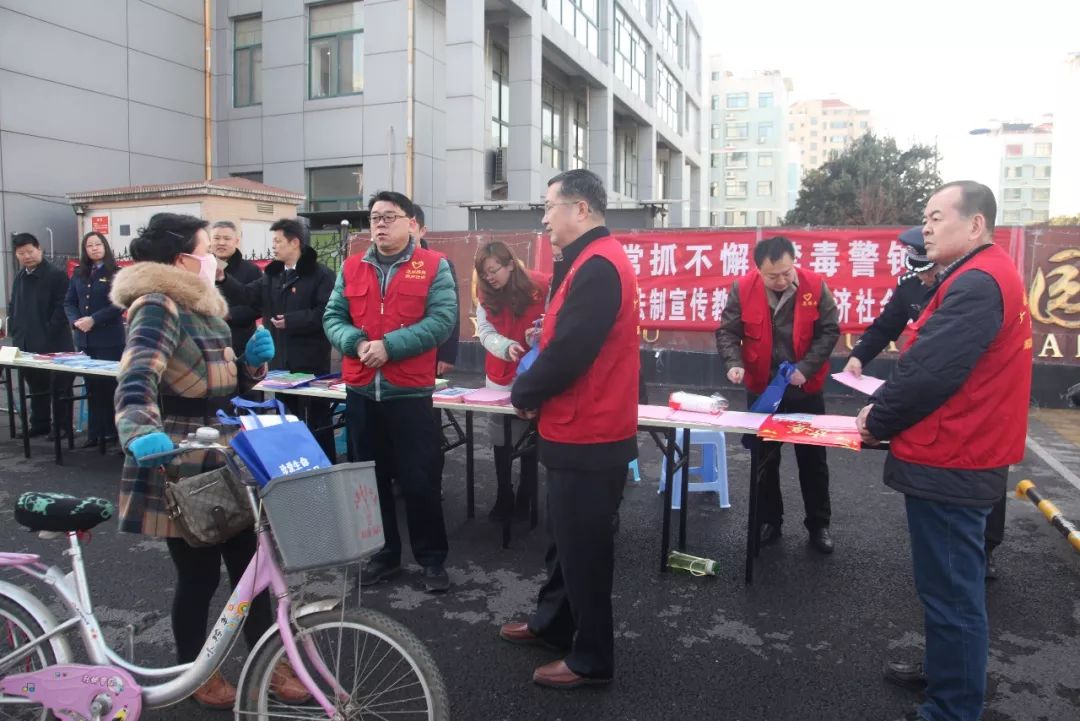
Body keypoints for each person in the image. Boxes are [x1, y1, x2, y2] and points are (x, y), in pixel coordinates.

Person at [110, 212, 308, 708]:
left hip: (222, 451)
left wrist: (251, 365)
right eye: (207, 250)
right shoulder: (157, 304)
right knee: (198, 576)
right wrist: (139, 431)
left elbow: (218, 385)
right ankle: (196, 673)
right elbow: (137, 376)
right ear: (183, 260)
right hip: (179, 459)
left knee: (253, 568)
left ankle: (272, 664)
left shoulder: (203, 307)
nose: (215, 259)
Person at [856, 181, 1032, 721]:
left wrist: (876, 419)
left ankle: (952, 708)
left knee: (954, 593)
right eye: (924, 217)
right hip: (959, 452)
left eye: (936, 217)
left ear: (975, 224)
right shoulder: (982, 274)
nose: (925, 227)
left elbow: (930, 372)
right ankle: (945, 672)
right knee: (946, 587)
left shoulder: (978, 283)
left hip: (954, 458)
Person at [500, 169, 639, 689]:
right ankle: (553, 623)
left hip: (591, 432)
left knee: (585, 552)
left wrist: (524, 392)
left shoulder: (599, 266)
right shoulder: (583, 262)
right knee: (564, 541)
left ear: (580, 209)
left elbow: (572, 354)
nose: (543, 217)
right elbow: (570, 335)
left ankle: (592, 659)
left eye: (550, 206)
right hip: (577, 427)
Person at [845, 227, 1008, 581]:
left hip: (975, 406)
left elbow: (936, 368)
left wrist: (879, 419)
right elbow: (886, 326)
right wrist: (859, 356)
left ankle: (988, 548)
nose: (927, 277)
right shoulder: (912, 288)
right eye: (922, 272)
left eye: (930, 271)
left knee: (984, 478)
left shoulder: (971, 286)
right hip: (934, 410)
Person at [323, 191, 457, 593]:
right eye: (375, 217)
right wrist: (355, 343)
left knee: (420, 480)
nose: (380, 224)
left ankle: (432, 560)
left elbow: (443, 320)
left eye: (389, 217)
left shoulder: (434, 266)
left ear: (411, 223)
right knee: (370, 480)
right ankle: (384, 555)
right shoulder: (351, 267)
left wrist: (390, 347)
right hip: (363, 393)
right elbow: (333, 316)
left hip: (409, 395)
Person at [716, 235, 841, 554]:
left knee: (813, 461)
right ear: (758, 270)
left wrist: (807, 368)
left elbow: (829, 331)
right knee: (764, 461)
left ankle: (819, 524)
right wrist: (734, 363)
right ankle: (770, 520)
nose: (782, 280)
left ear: (793, 262)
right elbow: (728, 332)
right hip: (763, 390)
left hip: (805, 388)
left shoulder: (815, 286)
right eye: (773, 276)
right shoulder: (742, 288)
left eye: (787, 272)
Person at [217, 218, 336, 460]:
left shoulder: (321, 274)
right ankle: (292, 462)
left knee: (317, 419)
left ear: (295, 243)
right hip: (281, 363)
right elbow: (248, 295)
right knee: (286, 416)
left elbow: (327, 313)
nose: (274, 246)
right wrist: (223, 279)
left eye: (278, 241)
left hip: (310, 362)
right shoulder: (273, 274)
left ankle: (324, 464)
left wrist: (293, 320)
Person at [474, 241, 549, 521]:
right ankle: (503, 494)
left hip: (533, 371)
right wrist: (505, 346)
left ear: (510, 264)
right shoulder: (485, 294)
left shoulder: (540, 286)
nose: (490, 277)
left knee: (531, 433)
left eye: (494, 270)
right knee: (501, 438)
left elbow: (553, 321)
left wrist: (539, 333)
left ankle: (526, 494)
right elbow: (484, 331)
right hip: (500, 373)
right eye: (485, 273)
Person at [8, 232, 75, 439]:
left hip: (53, 342)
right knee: (36, 386)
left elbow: (62, 307)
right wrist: (16, 331)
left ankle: (62, 427)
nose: (26, 256)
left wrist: (49, 331)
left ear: (40, 250)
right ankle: (40, 424)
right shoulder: (20, 276)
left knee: (60, 387)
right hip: (26, 341)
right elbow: (14, 306)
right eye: (21, 253)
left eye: (30, 251)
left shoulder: (56, 275)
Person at [63, 232, 124, 447]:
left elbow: (120, 304)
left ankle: (112, 433)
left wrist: (94, 319)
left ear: (105, 247)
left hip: (109, 339)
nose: (94, 248)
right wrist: (75, 321)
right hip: (85, 340)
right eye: (89, 245)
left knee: (110, 387)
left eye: (98, 244)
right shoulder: (79, 273)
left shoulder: (116, 273)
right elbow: (69, 301)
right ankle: (95, 432)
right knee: (91, 387)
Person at [210, 220, 262, 357]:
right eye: (216, 238)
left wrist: (228, 314)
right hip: (208, 339)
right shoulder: (201, 267)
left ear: (236, 241)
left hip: (239, 341)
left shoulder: (251, 270)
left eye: (227, 239)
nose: (221, 243)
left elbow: (258, 307)